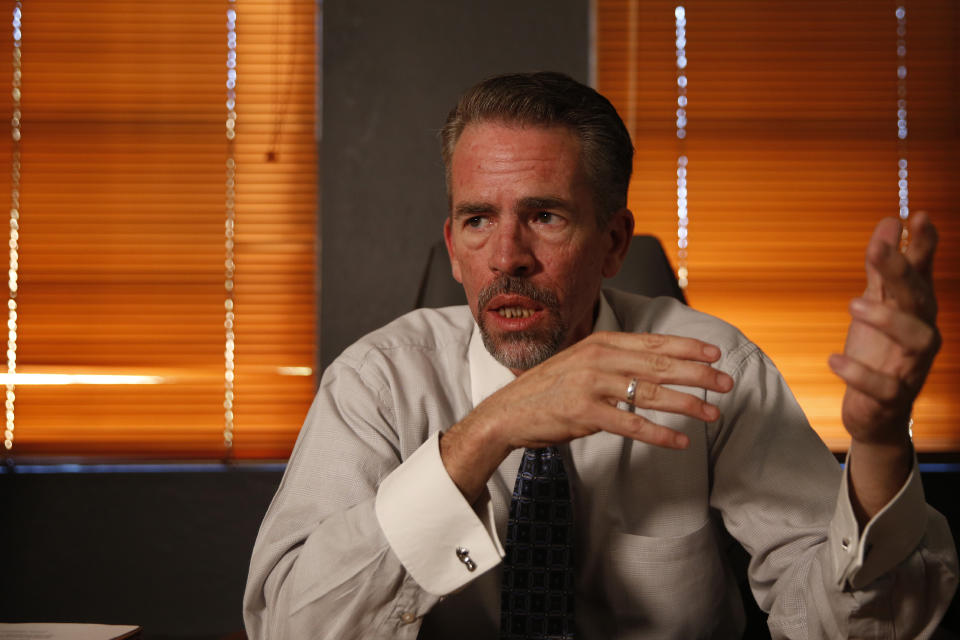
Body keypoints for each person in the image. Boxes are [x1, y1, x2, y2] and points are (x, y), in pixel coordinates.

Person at [243, 72, 957, 639]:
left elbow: (858, 630)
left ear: (615, 242)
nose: (506, 258)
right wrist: (483, 433)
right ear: (453, 249)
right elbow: (291, 627)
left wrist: (880, 441)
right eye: (477, 219)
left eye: (545, 216)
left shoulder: (715, 368)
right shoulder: (377, 383)